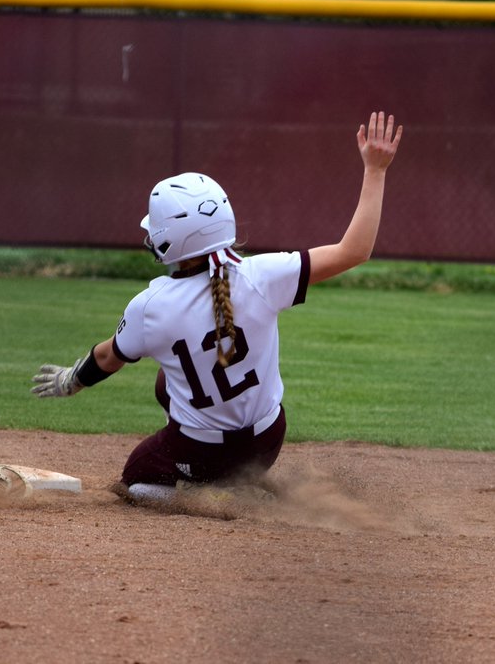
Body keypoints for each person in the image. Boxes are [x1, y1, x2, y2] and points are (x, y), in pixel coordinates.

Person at [30, 111, 402, 505]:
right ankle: (239, 481)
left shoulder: (151, 306)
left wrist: (72, 381)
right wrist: (375, 170)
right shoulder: (264, 275)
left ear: (168, 240)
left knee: (136, 481)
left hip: (202, 453)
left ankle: (219, 500)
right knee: (166, 384)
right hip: (267, 442)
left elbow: (107, 357)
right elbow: (354, 251)